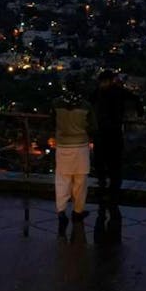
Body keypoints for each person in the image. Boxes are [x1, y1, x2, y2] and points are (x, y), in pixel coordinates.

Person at [89, 70, 144, 204]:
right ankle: (112, 191)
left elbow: (89, 104)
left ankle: (104, 189)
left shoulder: (100, 92)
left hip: (103, 132)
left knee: (103, 162)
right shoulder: (117, 91)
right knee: (113, 163)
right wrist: (140, 112)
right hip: (112, 132)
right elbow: (136, 99)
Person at [52, 92, 94, 234]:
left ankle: (61, 212)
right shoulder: (86, 106)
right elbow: (93, 126)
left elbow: (51, 121)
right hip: (81, 147)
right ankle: (77, 211)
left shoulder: (56, 104)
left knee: (62, 181)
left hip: (63, 146)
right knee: (80, 183)